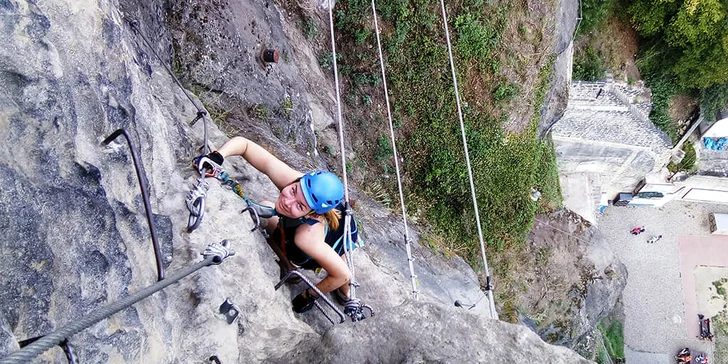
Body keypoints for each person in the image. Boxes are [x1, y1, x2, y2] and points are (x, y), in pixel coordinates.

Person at [195, 136, 358, 313]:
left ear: (312, 213)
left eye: (300, 206)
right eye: (293, 191)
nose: (288, 201)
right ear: (298, 181)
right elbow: (246, 145)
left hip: (335, 236)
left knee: (341, 281)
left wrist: (309, 295)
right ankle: (295, 265)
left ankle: (337, 289)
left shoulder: (308, 237)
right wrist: (217, 157)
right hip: (324, 222)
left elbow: (342, 275)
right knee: (267, 206)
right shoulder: (296, 183)